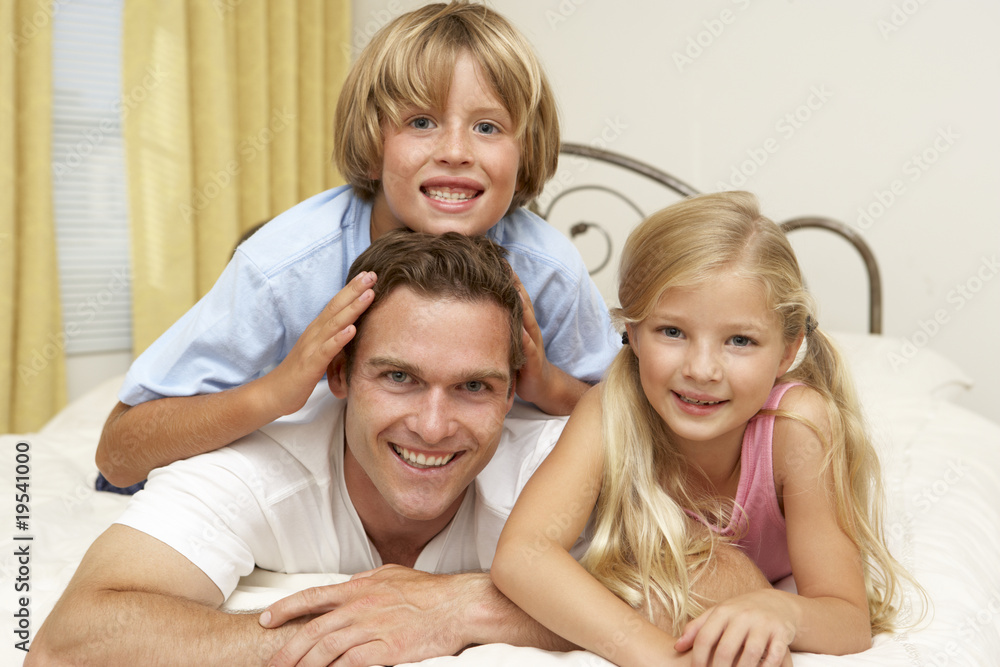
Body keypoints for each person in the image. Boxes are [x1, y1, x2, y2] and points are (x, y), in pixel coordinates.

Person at [95, 1, 619, 489]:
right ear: (372, 144)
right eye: (421, 121)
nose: (456, 151)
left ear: (525, 155)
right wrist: (276, 391)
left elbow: (631, 422)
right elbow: (117, 454)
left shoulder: (547, 271)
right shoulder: (284, 268)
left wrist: (548, 386)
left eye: (487, 126)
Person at [28, 231, 577, 666]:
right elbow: (69, 642)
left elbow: (664, 601)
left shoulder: (556, 468)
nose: (433, 427)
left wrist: (460, 607)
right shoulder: (254, 466)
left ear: (511, 394)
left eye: (473, 387)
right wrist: (342, 635)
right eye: (399, 377)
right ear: (338, 374)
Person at [492, 192, 922, 666]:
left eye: (740, 340)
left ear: (787, 350)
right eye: (672, 332)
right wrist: (660, 656)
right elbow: (522, 554)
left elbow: (848, 621)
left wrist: (781, 609)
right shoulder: (610, 408)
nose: (701, 370)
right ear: (632, 333)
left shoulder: (799, 427)